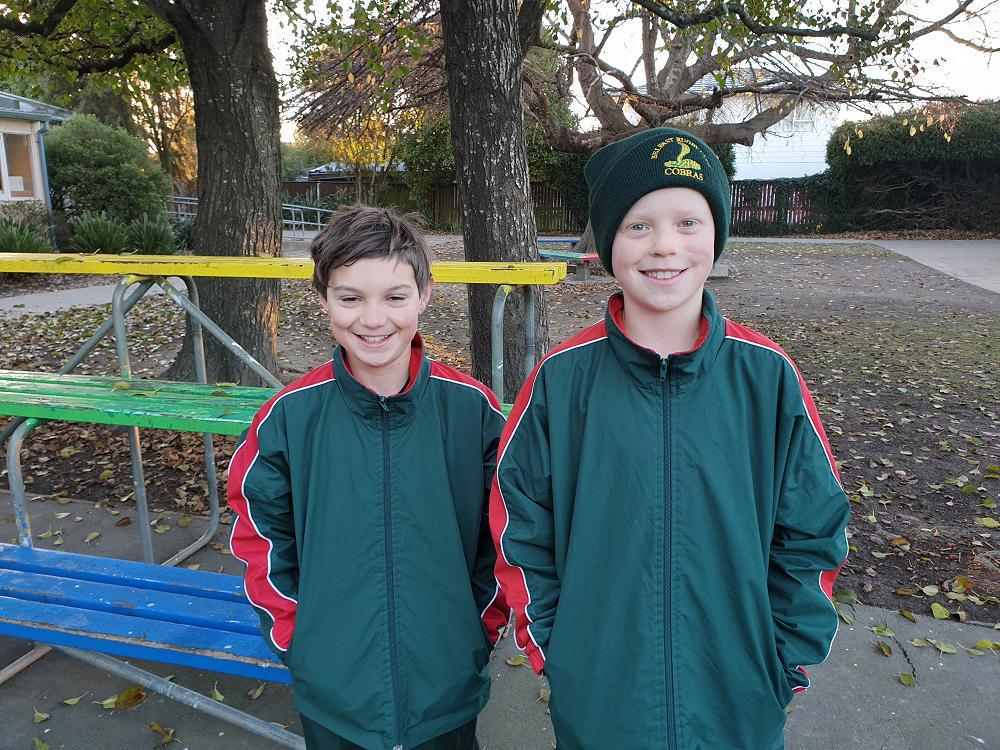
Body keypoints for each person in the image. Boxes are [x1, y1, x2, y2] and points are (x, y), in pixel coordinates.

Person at [491, 128, 851, 749]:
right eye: (637, 226)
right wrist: (559, 648)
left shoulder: (767, 378)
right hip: (602, 700)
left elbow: (813, 529)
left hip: (737, 701)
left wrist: (783, 660)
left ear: (716, 236)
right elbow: (519, 521)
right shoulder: (562, 380)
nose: (664, 246)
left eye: (688, 221)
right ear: (607, 243)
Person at [228, 204, 507, 750]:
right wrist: (297, 638)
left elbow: (502, 535)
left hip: (445, 691)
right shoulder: (289, 417)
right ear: (323, 299)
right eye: (350, 297)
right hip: (337, 696)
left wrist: (475, 629)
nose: (373, 319)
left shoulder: (473, 412)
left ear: (424, 295)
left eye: (395, 297)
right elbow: (258, 534)